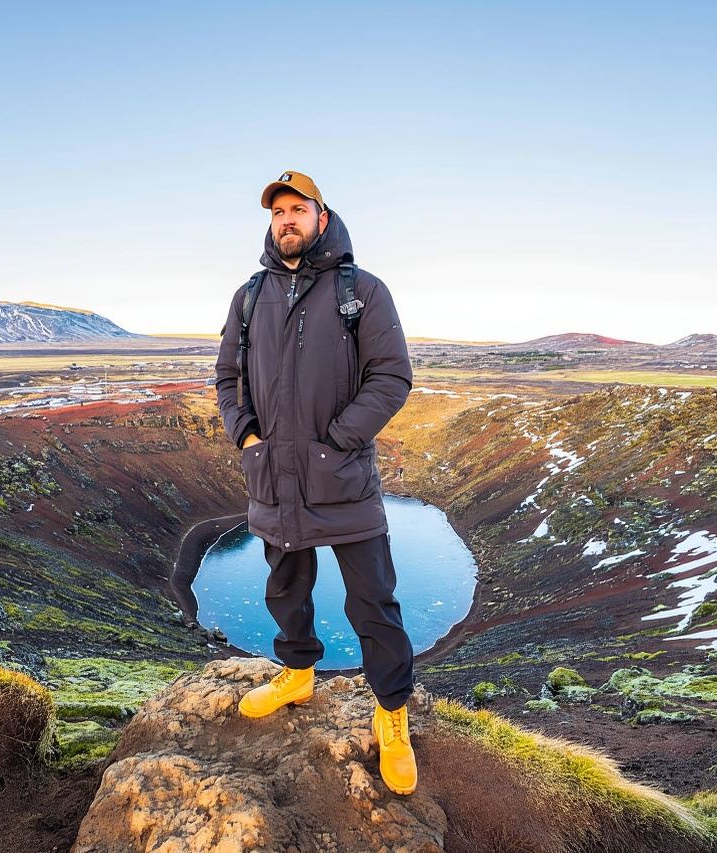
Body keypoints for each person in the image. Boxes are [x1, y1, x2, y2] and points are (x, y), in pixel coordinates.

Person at [215, 170, 418, 796]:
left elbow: (391, 377)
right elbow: (227, 379)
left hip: (344, 480)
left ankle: (392, 716)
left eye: (297, 209)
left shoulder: (363, 290)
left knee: (373, 602)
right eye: (277, 212)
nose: (286, 220)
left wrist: (336, 443)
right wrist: (248, 437)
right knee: (285, 586)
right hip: (273, 480)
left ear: (321, 217)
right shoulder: (250, 295)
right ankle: (296, 672)